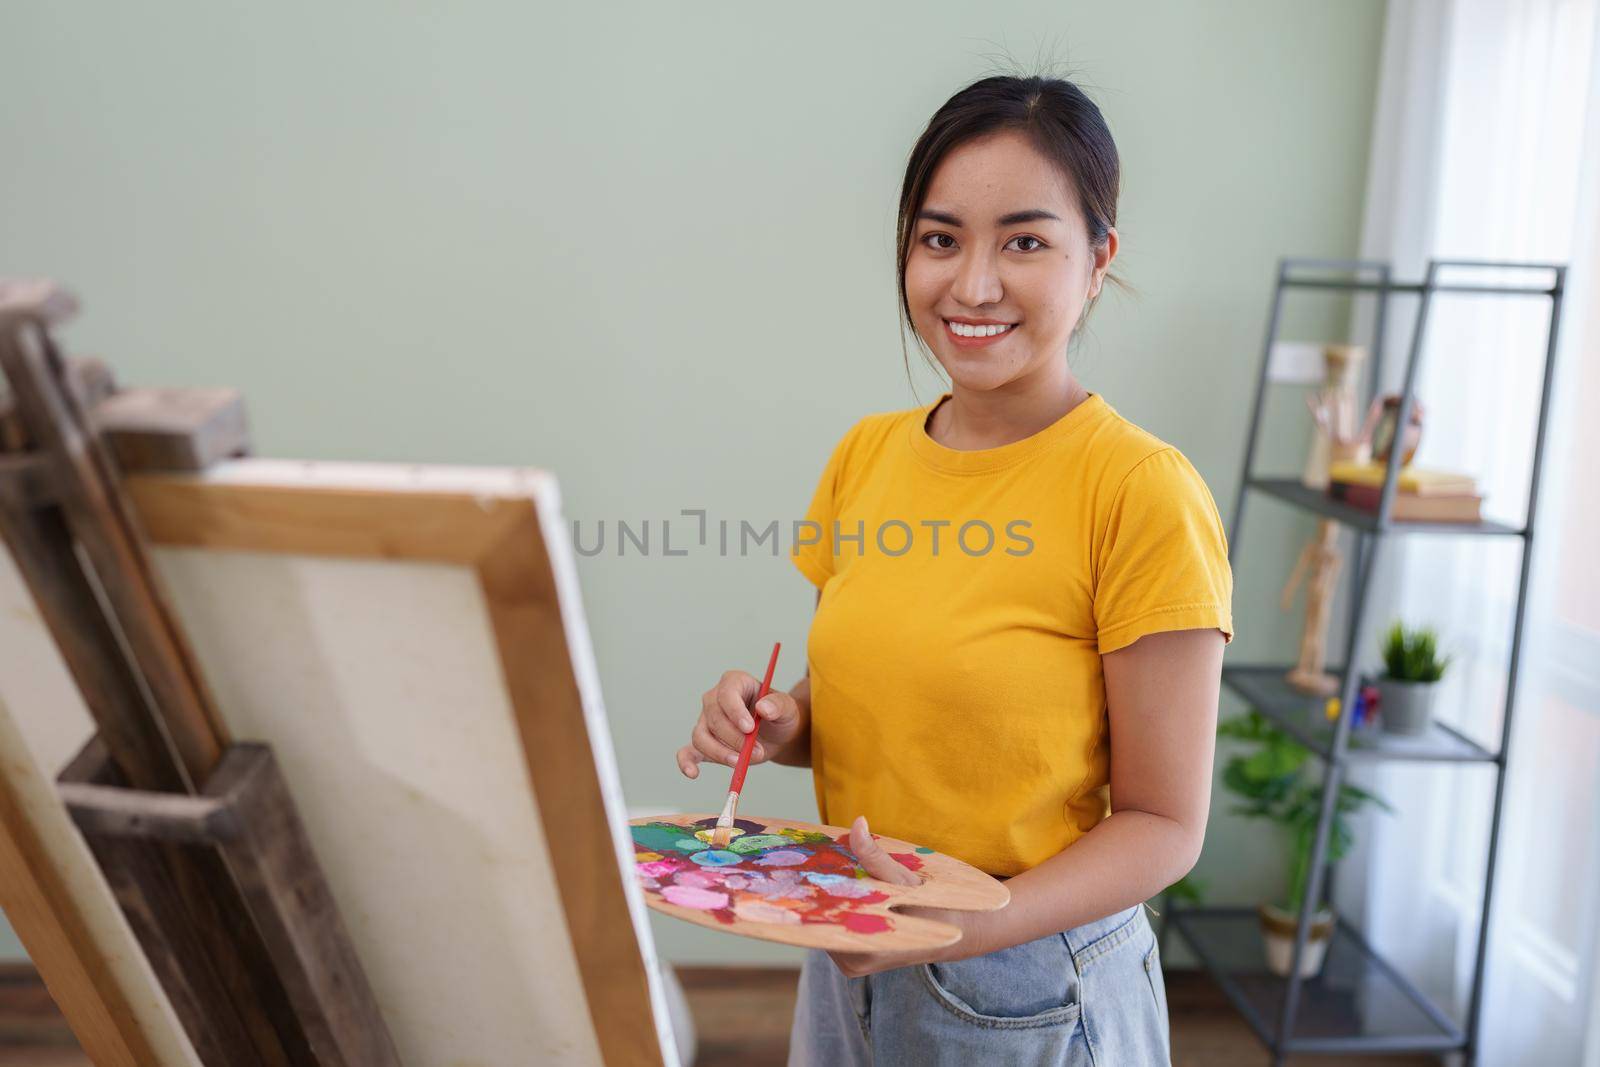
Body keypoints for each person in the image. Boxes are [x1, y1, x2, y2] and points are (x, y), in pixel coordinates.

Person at [676, 73, 1233, 1067]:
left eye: (1024, 240)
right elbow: (882, 699)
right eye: (940, 238)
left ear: (1098, 258)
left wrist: (976, 920)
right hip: (852, 936)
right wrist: (781, 719)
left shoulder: (1142, 489)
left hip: (1026, 979)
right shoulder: (866, 454)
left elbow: (1164, 823)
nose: (971, 284)